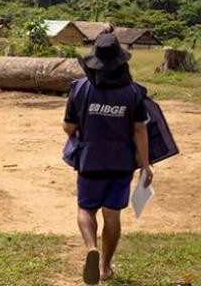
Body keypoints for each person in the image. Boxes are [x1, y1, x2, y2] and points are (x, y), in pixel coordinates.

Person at [63, 33, 153, 284]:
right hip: (121, 163)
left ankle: (91, 246)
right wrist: (145, 165)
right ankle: (104, 267)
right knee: (112, 215)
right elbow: (139, 129)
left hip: (89, 160)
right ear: (120, 63)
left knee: (85, 209)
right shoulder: (133, 93)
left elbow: (68, 127)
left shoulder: (79, 89)